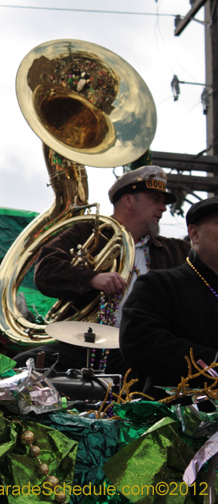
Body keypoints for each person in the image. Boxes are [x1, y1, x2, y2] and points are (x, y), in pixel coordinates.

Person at [14, 166, 190, 375]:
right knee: (23, 365)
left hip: (144, 350)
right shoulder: (85, 231)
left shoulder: (178, 250)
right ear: (128, 201)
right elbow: (46, 270)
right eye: (155, 199)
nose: (163, 208)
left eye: (163, 202)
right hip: (83, 345)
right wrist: (92, 278)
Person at [120, 196, 218, 391]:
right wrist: (213, 362)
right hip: (179, 410)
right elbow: (140, 343)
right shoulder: (160, 284)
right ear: (195, 234)